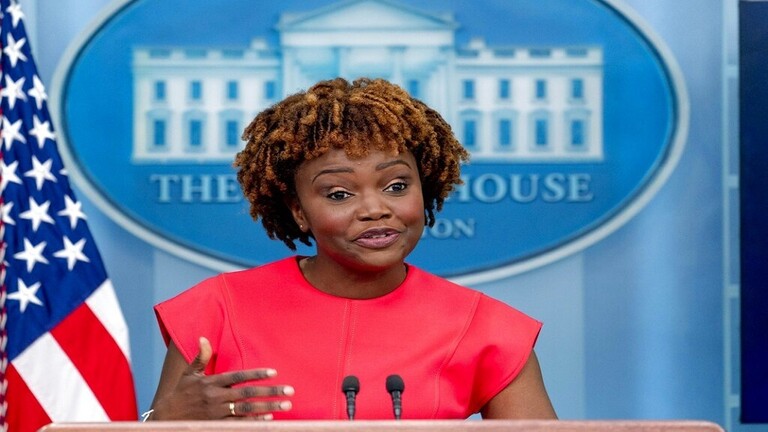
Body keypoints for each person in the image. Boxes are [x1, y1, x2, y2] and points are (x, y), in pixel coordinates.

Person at [147, 77, 557, 421]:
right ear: (299, 211)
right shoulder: (217, 310)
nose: (375, 209)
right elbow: (165, 422)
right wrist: (163, 423)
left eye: (397, 185)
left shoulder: (486, 327)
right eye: (339, 194)